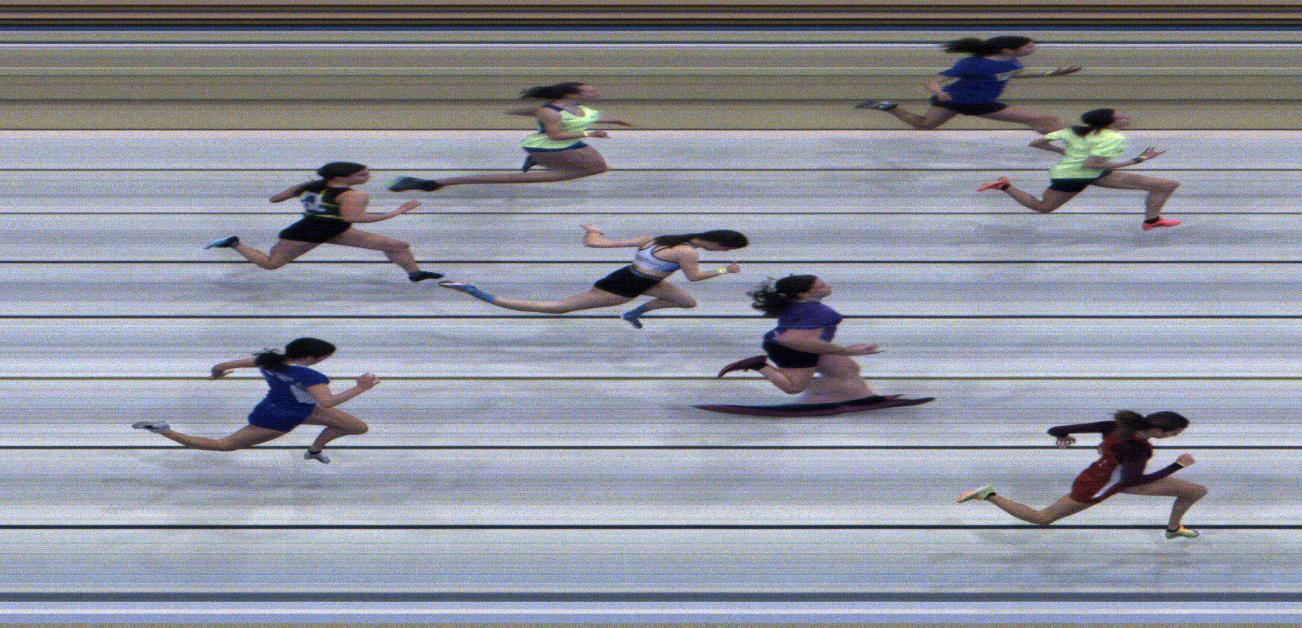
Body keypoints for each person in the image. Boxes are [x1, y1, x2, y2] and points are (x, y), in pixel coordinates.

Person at [957, 410, 1207, 539]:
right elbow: (1133, 481)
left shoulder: (1116, 427)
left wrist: (1063, 436)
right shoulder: (1139, 449)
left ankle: (1173, 529)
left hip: (1105, 474)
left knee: (1195, 491)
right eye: (1175, 433)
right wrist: (1177, 465)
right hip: (1099, 486)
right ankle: (988, 494)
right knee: (1042, 518)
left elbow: (1056, 429)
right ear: (1159, 431)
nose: (1175, 436)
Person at [437, 224, 747, 328]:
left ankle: (634, 313)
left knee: (687, 303)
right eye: (725, 251)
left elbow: (596, 244)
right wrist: (724, 271)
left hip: (637, 277)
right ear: (718, 245)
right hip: (624, 286)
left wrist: (593, 231)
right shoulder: (688, 253)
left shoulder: (657, 238)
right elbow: (694, 278)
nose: (722, 255)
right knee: (557, 308)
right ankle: (476, 292)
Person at [131, 338, 374, 463]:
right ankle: (164, 430)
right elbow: (328, 402)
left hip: (293, 408)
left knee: (357, 427)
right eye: (323, 358)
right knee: (224, 445)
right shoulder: (310, 376)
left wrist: (216, 376)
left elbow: (220, 365)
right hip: (278, 419)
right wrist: (360, 388)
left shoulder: (269, 361)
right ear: (311, 357)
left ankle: (314, 451)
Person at [204, 161, 443, 280]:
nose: (367, 177)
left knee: (397, 245)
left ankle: (415, 273)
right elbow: (354, 217)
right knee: (271, 264)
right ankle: (234, 243)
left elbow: (275, 199)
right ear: (341, 177)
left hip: (332, 229)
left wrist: (299, 189)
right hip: (308, 233)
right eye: (362, 175)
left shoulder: (310, 186)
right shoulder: (353, 195)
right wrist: (398, 211)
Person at [388, 82, 632, 192]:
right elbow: (556, 135)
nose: (595, 92)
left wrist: (612, 121)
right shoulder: (550, 111)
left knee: (595, 168)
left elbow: (581, 120)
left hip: (566, 144)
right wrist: (591, 133)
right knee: (596, 168)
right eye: (590, 90)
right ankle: (436, 182)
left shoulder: (579, 108)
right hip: (551, 146)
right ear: (571, 93)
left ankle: (435, 183)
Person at [976, 108, 1182, 230]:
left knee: (1166, 185)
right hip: (1074, 177)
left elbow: (1037, 143)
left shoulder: (1074, 131)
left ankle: (1152, 220)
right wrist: (1138, 159)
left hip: (1091, 174)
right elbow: (1091, 164)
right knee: (1043, 207)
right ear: (1108, 123)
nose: (1125, 118)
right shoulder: (1112, 138)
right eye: (1120, 117)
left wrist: (1064, 152)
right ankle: (1005, 186)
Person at [856, 35, 1080, 133]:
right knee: (1046, 119)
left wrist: (1049, 74)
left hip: (957, 101)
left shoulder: (1013, 63)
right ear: (1007, 49)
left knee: (924, 125)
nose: (1033, 48)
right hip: (975, 103)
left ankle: (889, 107)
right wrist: (939, 92)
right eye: (1028, 46)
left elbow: (1007, 76)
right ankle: (1074, 148)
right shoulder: (973, 63)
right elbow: (933, 81)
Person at [716, 275, 884, 403]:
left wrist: (841, 351)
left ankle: (856, 396)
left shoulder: (797, 304)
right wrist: (846, 350)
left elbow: (803, 337)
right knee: (793, 387)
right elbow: (791, 340)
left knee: (847, 368)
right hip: (790, 349)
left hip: (791, 344)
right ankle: (758, 365)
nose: (828, 286)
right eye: (821, 286)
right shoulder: (820, 312)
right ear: (803, 295)